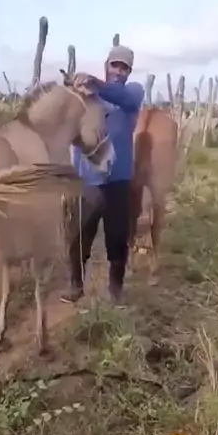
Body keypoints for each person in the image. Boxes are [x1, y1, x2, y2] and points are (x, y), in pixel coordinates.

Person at [61, 45, 144, 305]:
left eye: (124, 67)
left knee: (117, 238)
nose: (118, 71)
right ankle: (76, 286)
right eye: (114, 65)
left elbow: (124, 98)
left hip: (118, 181)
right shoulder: (85, 96)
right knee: (79, 235)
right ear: (106, 64)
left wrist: (94, 83)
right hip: (87, 180)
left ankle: (115, 290)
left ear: (129, 72)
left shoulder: (133, 93)